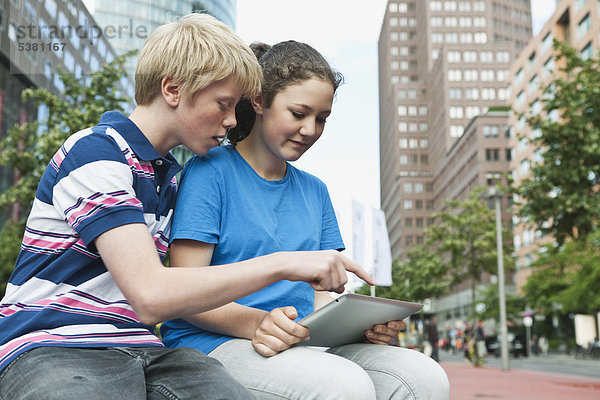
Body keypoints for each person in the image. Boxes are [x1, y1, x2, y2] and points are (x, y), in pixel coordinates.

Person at [0, 15, 374, 400]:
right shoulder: (97, 153)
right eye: (224, 105)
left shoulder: (169, 177)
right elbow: (150, 295)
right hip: (53, 340)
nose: (232, 122)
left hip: (143, 349)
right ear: (173, 89)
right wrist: (283, 262)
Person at [160, 40, 449, 400]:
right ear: (260, 102)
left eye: (322, 118)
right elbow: (185, 292)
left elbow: (322, 298)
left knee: (423, 375)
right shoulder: (209, 172)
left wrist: (359, 327)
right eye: (299, 113)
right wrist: (258, 323)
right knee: (344, 386)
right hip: (214, 342)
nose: (311, 129)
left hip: (300, 340)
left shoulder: (315, 191)